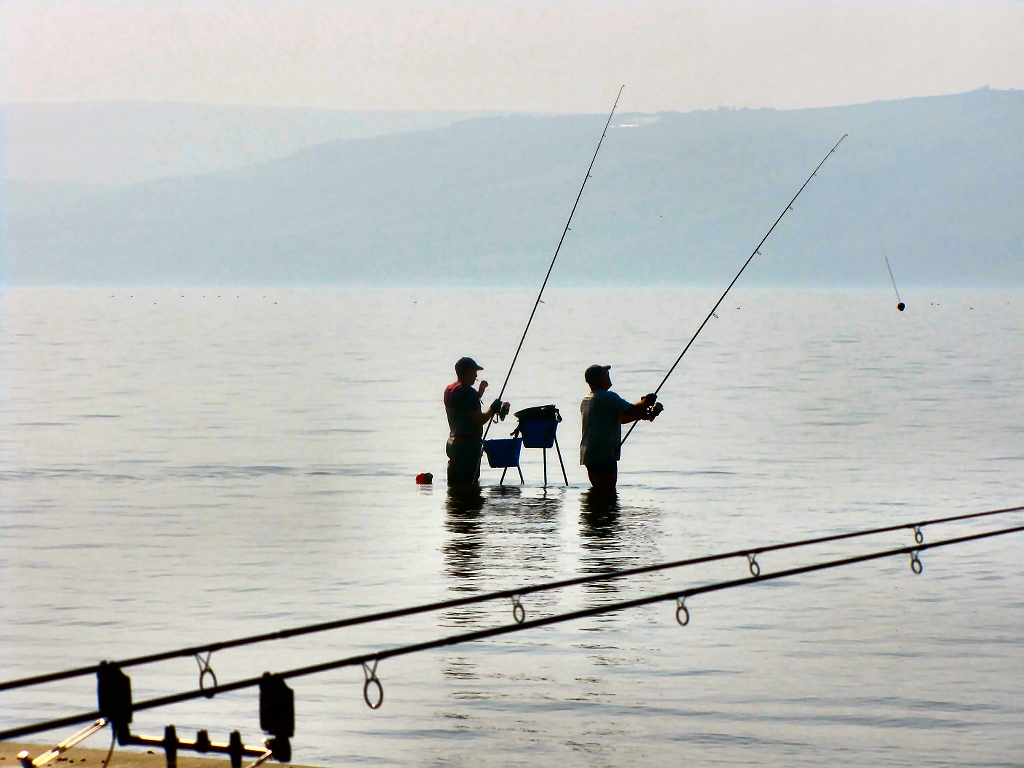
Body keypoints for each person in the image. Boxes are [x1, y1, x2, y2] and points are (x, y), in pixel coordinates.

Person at [580, 364, 662, 492]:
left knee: (598, 493)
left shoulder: (587, 399)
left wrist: (640, 415)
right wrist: (646, 401)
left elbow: (621, 418)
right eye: (605, 374)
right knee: (607, 493)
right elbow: (633, 409)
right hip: (604, 454)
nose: (608, 375)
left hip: (590, 455)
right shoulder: (607, 397)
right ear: (599, 379)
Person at [444, 357, 509, 486]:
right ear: (468, 372)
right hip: (468, 448)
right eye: (475, 372)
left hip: (453, 444)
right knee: (470, 485)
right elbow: (479, 420)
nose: (476, 376)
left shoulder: (450, 390)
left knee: (455, 485)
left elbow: (462, 406)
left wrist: (478, 394)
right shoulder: (468, 393)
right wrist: (492, 409)